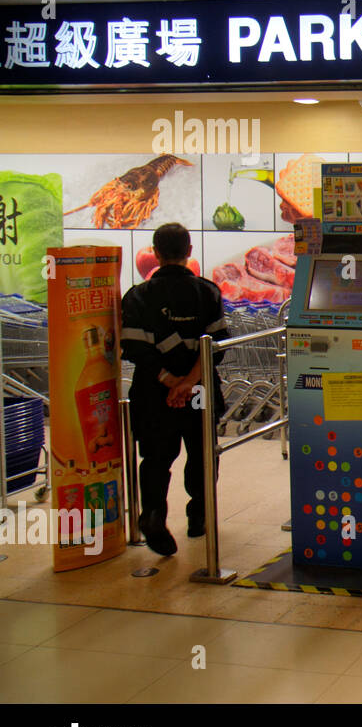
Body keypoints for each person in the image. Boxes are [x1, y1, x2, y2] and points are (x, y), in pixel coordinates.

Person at [121, 223, 230, 556]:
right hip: (198, 391)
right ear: (189, 251)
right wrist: (189, 383)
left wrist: (170, 382)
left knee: (155, 456)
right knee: (201, 451)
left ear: (155, 252)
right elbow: (216, 346)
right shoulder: (207, 292)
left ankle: (153, 514)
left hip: (155, 394)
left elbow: (134, 349)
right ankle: (199, 516)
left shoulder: (137, 296)